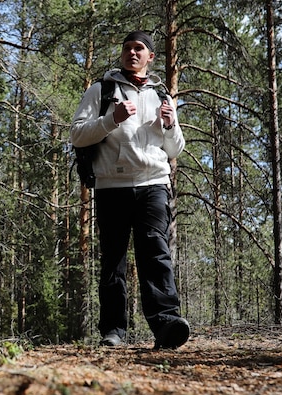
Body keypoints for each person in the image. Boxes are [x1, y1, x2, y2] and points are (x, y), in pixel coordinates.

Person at [70, 30, 190, 349]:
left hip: (153, 184)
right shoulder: (101, 90)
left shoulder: (163, 97)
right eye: (128, 48)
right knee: (113, 260)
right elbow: (77, 135)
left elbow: (175, 149)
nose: (133, 53)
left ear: (151, 57)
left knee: (156, 254)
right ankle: (113, 331)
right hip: (112, 186)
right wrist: (111, 119)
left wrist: (169, 125)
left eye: (140, 49)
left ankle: (166, 325)